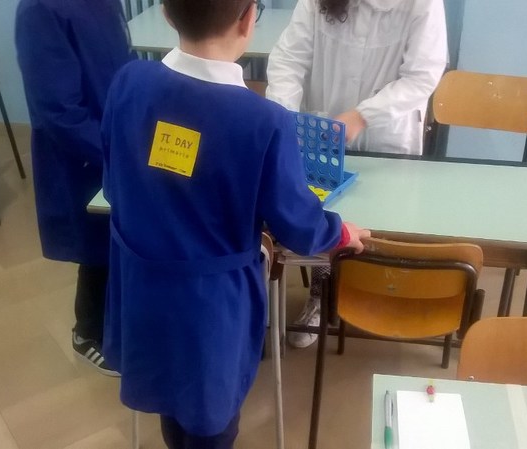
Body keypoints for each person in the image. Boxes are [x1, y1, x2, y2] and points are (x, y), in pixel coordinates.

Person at [100, 0, 370, 447]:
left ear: (165, 12)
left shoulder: (128, 82)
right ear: (248, 19)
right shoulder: (264, 121)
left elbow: (114, 183)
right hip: (209, 306)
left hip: (141, 287)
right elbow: (298, 225)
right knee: (211, 414)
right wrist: (341, 232)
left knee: (170, 395)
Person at [266, 0, 448, 348]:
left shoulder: (422, 4)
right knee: (327, 215)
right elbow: (289, 58)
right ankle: (320, 294)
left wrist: (364, 115)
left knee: (383, 221)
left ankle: (380, 292)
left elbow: (422, 76)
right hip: (324, 130)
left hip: (388, 133)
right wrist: (285, 117)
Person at [15, 0, 135, 375]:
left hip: (115, 135)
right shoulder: (40, 10)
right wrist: (112, 151)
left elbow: (122, 63)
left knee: (116, 237)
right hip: (81, 152)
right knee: (95, 243)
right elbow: (57, 110)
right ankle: (88, 334)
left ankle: (117, 319)